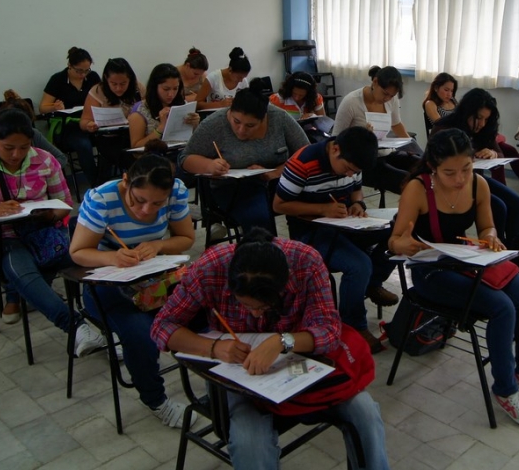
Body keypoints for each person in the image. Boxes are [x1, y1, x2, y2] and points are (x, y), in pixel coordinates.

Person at [151, 228, 391, 470]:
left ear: (284, 283)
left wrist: (282, 341)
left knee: (365, 413)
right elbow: (162, 327)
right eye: (245, 305)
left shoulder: (305, 262)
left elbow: (328, 330)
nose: (255, 314)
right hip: (238, 376)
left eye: (266, 306)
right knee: (250, 443)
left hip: (299, 366)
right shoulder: (210, 267)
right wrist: (214, 347)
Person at [388, 128, 519, 427]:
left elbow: (486, 227)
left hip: (468, 262)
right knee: (501, 307)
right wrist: (404, 243)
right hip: (432, 271)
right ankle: (505, 389)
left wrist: (491, 238)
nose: (460, 179)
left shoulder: (478, 185)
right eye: (450, 173)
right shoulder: (418, 188)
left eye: (466, 168)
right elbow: (396, 240)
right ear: (433, 167)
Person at [0, 109, 105, 353]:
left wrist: (48, 214)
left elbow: (64, 203)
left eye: (24, 147)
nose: (17, 154)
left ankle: (107, 326)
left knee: (91, 262)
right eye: (9, 148)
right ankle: (77, 327)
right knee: (23, 271)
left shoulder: (44, 159)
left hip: (44, 233)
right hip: (3, 236)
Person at [69, 154, 196, 428]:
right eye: (138, 201)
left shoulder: (176, 192)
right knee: (142, 334)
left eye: (157, 204)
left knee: (201, 313)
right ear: (125, 182)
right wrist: (111, 257)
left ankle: (213, 388)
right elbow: (78, 252)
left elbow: (186, 238)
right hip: (107, 285)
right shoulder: (102, 199)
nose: (146, 210)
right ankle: (156, 400)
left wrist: (159, 245)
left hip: (155, 281)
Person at [273, 126, 395, 353]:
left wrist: (358, 204)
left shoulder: (353, 159)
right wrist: (322, 209)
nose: (350, 174)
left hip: (345, 224)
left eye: (354, 171)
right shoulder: (303, 162)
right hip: (310, 232)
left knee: (398, 236)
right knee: (359, 265)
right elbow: (279, 205)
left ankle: (372, 283)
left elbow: (356, 190)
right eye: (348, 169)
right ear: (335, 148)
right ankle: (353, 325)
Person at [180, 81, 309, 233]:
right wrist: (209, 165)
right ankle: (264, 253)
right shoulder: (213, 125)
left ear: (264, 118)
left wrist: (276, 172)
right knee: (258, 219)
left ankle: (303, 250)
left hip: (279, 180)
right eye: (236, 121)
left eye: (250, 126)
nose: (241, 130)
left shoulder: (279, 118)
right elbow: (185, 159)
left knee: (308, 205)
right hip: (235, 188)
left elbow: (306, 153)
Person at [431, 88, 519, 253]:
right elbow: (437, 160)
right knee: (499, 207)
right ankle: (496, 250)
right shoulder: (444, 128)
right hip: (453, 183)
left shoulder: (484, 130)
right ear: (467, 112)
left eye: (486, 119)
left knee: (516, 203)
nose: (481, 124)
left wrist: (493, 152)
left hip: (476, 181)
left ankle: (514, 255)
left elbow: (500, 152)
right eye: (478, 118)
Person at [332, 66, 422, 195]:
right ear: (375, 82)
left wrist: (410, 146)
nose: (387, 99)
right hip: (364, 159)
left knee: (423, 166)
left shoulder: (392, 100)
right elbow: (336, 138)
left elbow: (396, 124)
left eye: (392, 96)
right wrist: (363, 136)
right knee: (406, 181)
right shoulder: (351, 102)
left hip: (386, 152)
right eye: (385, 93)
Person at [39, 47, 102, 186]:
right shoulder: (58, 79)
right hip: (68, 127)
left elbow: (103, 98)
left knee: (109, 139)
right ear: (69, 66)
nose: (83, 74)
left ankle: (107, 178)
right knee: (83, 145)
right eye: (79, 70)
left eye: (86, 70)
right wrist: (54, 107)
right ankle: (96, 184)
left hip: (91, 122)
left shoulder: (93, 77)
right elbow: (42, 107)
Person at [129, 64, 200, 148]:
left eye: (175, 88)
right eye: (166, 89)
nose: (171, 94)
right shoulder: (141, 111)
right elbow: (136, 147)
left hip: (181, 153)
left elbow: (192, 138)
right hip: (156, 157)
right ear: (155, 87)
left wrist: (195, 124)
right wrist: (161, 127)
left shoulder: (182, 104)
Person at [79, 57, 145, 132]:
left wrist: (136, 118)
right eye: (114, 84)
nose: (118, 88)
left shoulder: (138, 88)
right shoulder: (97, 91)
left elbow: (149, 112)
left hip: (135, 133)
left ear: (130, 79)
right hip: (108, 136)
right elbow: (84, 122)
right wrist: (89, 125)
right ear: (106, 78)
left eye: (123, 83)